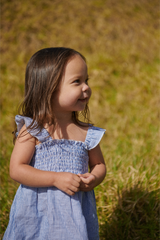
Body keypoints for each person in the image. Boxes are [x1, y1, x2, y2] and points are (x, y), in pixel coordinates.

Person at [3, 47, 106, 240]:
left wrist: (94, 178)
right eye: (77, 81)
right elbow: (17, 169)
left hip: (76, 214)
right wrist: (55, 178)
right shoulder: (34, 129)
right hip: (37, 214)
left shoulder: (86, 132)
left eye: (86, 80)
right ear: (49, 88)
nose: (86, 87)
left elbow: (99, 164)